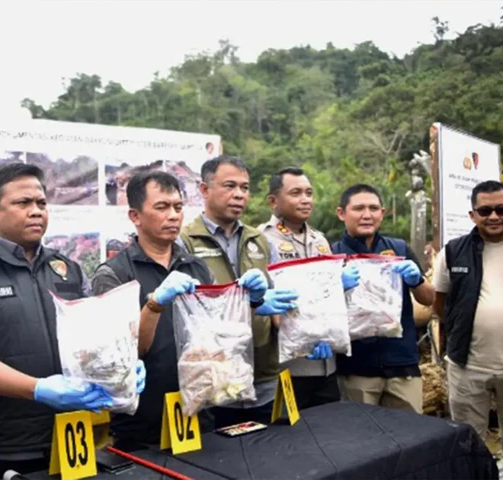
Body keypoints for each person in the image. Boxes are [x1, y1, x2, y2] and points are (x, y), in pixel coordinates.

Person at [0, 163, 144, 479]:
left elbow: (95, 344)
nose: (36, 211)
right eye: (23, 203)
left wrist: (123, 369)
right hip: (4, 447)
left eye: (42, 203)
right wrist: (37, 389)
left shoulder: (68, 269)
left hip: (70, 439)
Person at [91, 170, 272, 444]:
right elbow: (122, 354)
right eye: (162, 207)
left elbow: (218, 335)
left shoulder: (195, 266)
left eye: (178, 207)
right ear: (135, 216)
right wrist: (154, 305)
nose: (174, 215)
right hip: (142, 423)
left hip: (199, 412)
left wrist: (251, 300)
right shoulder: (114, 273)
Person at [177, 156, 298, 427]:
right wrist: (249, 305)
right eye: (230, 186)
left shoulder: (260, 240)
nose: (239, 195)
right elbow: (186, 314)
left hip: (264, 376)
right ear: (205, 189)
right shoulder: (184, 241)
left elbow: (280, 299)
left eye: (245, 188)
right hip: (213, 381)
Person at [259, 167, 360, 410]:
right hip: (289, 367)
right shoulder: (262, 240)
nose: (305, 200)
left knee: (330, 434)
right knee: (293, 439)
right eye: (296, 193)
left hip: (326, 362)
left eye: (309, 193)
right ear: (273, 201)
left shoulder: (320, 240)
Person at [331, 184, 435, 413]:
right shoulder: (332, 255)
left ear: (382, 213)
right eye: (358, 208)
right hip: (355, 369)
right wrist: (335, 285)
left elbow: (429, 299)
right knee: (362, 439)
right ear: (341, 213)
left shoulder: (399, 250)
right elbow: (321, 308)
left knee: (410, 437)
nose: (367, 215)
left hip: (402, 364)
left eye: (373, 208)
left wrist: (416, 280)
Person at [433, 180, 503, 440]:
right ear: (472, 215)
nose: (494, 216)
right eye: (485, 211)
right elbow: (440, 303)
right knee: (470, 443)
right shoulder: (453, 252)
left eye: (501, 209)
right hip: (468, 365)